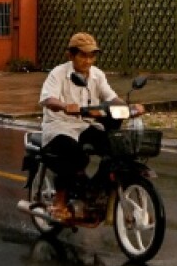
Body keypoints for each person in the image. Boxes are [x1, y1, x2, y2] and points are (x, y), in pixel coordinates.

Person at [38, 32, 141, 220]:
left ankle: (94, 191)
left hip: (85, 125)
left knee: (116, 148)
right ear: (71, 55)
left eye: (91, 56)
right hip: (60, 126)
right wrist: (64, 106)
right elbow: (48, 98)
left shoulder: (97, 75)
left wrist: (128, 107)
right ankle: (59, 202)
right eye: (83, 56)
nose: (88, 61)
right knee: (74, 155)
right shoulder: (58, 73)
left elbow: (110, 96)